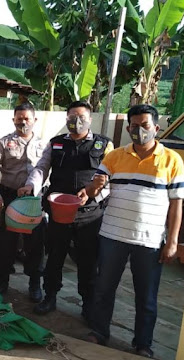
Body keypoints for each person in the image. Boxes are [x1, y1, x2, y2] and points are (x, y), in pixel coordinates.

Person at [85, 104, 183, 358]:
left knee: (146, 297)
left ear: (157, 128)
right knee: (104, 288)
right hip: (112, 236)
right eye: (134, 126)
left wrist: (172, 241)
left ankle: (143, 344)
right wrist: (95, 185)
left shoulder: (172, 160)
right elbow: (94, 192)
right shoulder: (114, 156)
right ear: (128, 128)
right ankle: (99, 332)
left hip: (149, 241)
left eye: (145, 125)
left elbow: (176, 205)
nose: (139, 131)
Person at [18, 100, 113, 318]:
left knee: (88, 260)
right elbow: (41, 168)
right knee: (54, 256)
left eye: (81, 117)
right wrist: (32, 185)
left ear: (90, 119)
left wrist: (94, 194)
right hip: (59, 212)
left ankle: (88, 303)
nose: (76, 121)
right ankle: (50, 296)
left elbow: (112, 178)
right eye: (71, 117)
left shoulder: (104, 145)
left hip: (89, 214)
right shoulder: (56, 143)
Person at [0, 102, 46, 301]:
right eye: (19, 119)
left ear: (34, 120)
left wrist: (33, 187)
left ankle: (34, 283)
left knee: (35, 244)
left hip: (33, 200)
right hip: (10, 196)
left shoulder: (44, 145)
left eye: (27, 118)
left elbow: (44, 170)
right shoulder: (3, 142)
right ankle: (3, 279)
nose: (23, 122)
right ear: (13, 120)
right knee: (7, 242)